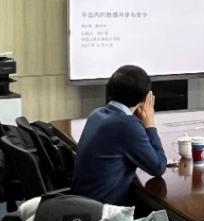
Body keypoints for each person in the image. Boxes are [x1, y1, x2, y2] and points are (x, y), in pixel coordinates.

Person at [70, 65, 167, 205]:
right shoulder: (127, 126)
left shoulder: (96, 114)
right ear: (145, 98)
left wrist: (138, 122)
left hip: (81, 203)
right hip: (103, 211)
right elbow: (158, 167)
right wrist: (150, 124)